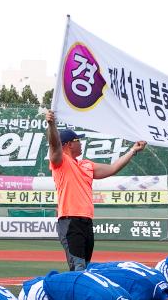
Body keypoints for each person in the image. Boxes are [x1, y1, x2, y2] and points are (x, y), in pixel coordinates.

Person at [44, 109, 146, 270]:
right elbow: (54, 144)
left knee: (86, 267)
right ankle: (74, 294)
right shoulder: (60, 162)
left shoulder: (86, 164)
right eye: (78, 140)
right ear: (69, 144)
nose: (81, 143)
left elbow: (113, 168)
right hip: (70, 222)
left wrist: (133, 151)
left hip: (86, 221)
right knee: (78, 267)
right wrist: (51, 124)